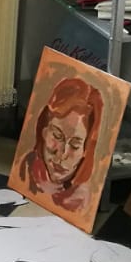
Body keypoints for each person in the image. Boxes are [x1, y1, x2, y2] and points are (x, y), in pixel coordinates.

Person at [15, 75, 105, 215]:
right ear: (44, 131)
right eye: (57, 136)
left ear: (86, 150)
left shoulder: (82, 201)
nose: (62, 154)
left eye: (75, 145)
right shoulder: (24, 169)